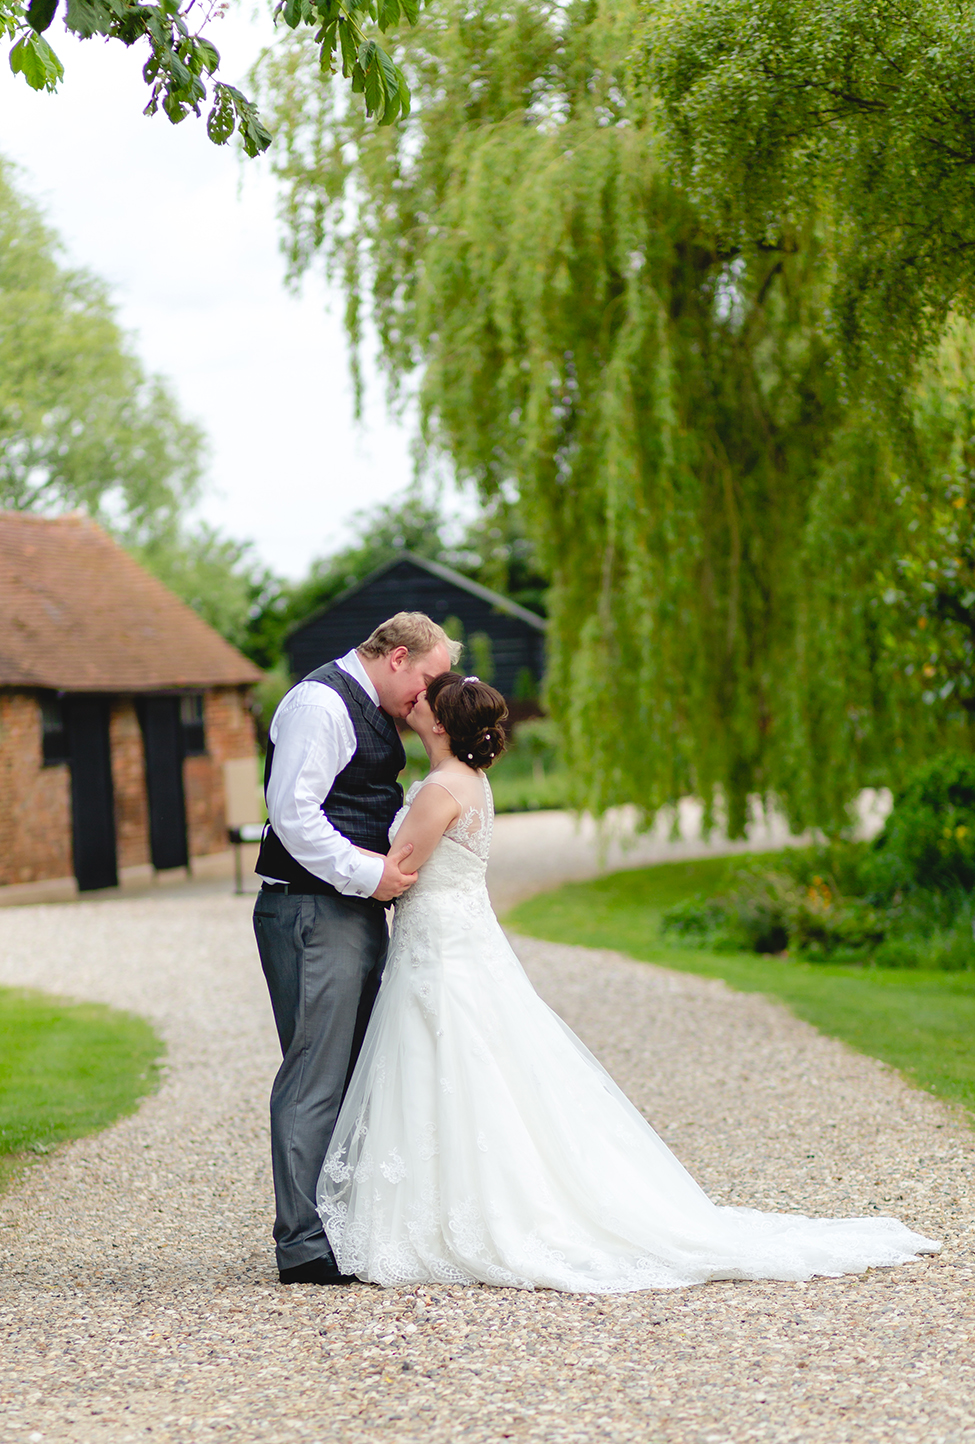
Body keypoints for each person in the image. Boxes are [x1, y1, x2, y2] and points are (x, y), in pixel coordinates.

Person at [317, 673, 940, 1292]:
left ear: (443, 725)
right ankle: (464, 1197)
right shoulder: (472, 783)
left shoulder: (437, 790)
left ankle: (458, 1212)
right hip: (460, 937)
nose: (415, 704)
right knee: (476, 1060)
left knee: (447, 1056)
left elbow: (399, 870)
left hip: (441, 946)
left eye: (427, 702)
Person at [253, 613, 459, 1286]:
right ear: (398, 657)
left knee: (355, 1074)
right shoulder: (321, 703)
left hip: (347, 911)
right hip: (314, 911)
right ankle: (305, 1247)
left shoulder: (366, 707)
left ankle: (340, 1228)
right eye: (428, 678)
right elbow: (294, 812)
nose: (429, 697)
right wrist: (370, 874)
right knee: (316, 1074)